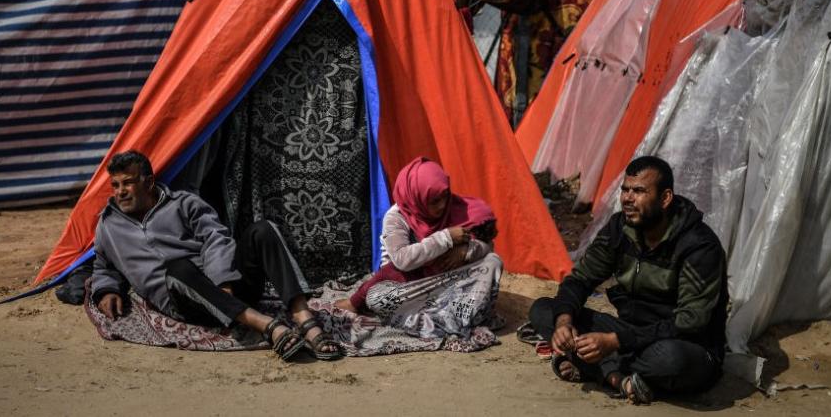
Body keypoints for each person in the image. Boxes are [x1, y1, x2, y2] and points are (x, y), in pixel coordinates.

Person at [90, 150, 342, 361]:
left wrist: (223, 280)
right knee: (177, 267)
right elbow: (103, 264)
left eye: (128, 183)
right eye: (115, 185)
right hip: (185, 303)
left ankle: (304, 318)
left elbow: (216, 237)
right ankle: (267, 326)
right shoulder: (108, 225)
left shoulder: (183, 203)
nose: (120, 191)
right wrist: (106, 290)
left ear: (148, 182)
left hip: (226, 288)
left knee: (262, 230)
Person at [529, 156, 727, 404]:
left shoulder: (698, 246)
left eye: (639, 191)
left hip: (683, 344)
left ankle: (605, 371)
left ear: (665, 198)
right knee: (544, 310)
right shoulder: (620, 229)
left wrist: (614, 342)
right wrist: (563, 322)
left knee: (670, 360)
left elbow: (689, 321)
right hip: (629, 334)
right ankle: (624, 379)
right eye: (625, 190)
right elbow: (580, 279)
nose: (627, 199)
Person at [335, 157, 503, 339]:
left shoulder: (459, 208)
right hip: (411, 286)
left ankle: (439, 321)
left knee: (493, 261)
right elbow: (401, 261)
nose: (442, 205)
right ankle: (452, 320)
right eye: (433, 201)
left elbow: (488, 244)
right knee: (376, 298)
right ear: (417, 198)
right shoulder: (396, 217)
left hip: (452, 283)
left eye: (444, 197)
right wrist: (445, 238)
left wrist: (466, 251)